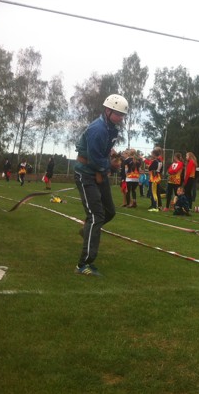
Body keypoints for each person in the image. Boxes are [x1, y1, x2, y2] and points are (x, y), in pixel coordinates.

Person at [73, 94, 128, 276]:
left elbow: (103, 150)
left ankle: (88, 231)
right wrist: (111, 165)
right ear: (108, 110)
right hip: (86, 174)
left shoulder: (111, 128)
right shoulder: (98, 129)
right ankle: (83, 264)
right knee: (96, 216)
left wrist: (113, 154)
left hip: (98, 174)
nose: (120, 118)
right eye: (118, 114)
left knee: (109, 212)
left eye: (122, 115)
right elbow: (95, 158)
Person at [147, 147, 163, 212]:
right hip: (158, 177)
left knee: (153, 192)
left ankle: (155, 206)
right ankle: (159, 205)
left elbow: (150, 168)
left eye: (152, 154)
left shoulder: (155, 161)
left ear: (154, 154)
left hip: (153, 177)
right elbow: (161, 170)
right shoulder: (160, 161)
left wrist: (149, 166)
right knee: (157, 192)